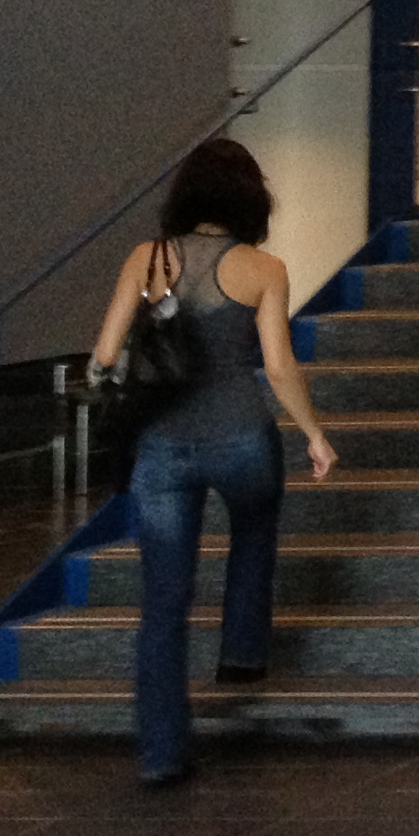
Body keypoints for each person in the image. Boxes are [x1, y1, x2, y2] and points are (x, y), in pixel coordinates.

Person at [90, 137, 337, 784]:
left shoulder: (146, 258)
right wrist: (314, 433)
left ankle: (161, 754)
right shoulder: (265, 268)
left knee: (163, 603)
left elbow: (105, 355)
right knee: (255, 528)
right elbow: (278, 368)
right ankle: (242, 654)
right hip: (242, 439)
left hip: (162, 450)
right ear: (250, 199)